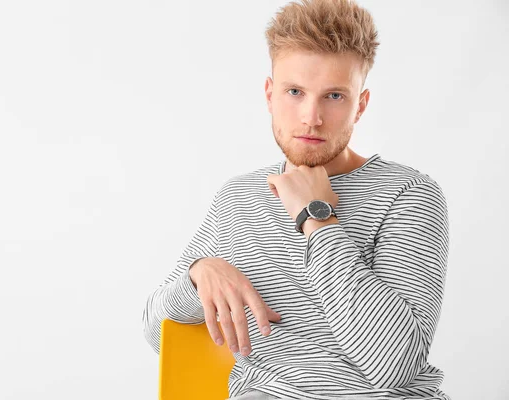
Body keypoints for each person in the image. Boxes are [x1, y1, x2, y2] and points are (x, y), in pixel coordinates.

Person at [142, 0, 451, 399]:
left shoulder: (408, 194)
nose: (311, 117)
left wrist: (317, 218)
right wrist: (200, 273)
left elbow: (394, 364)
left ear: (361, 103)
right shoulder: (238, 199)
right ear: (270, 94)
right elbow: (157, 333)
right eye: (295, 91)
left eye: (334, 96)